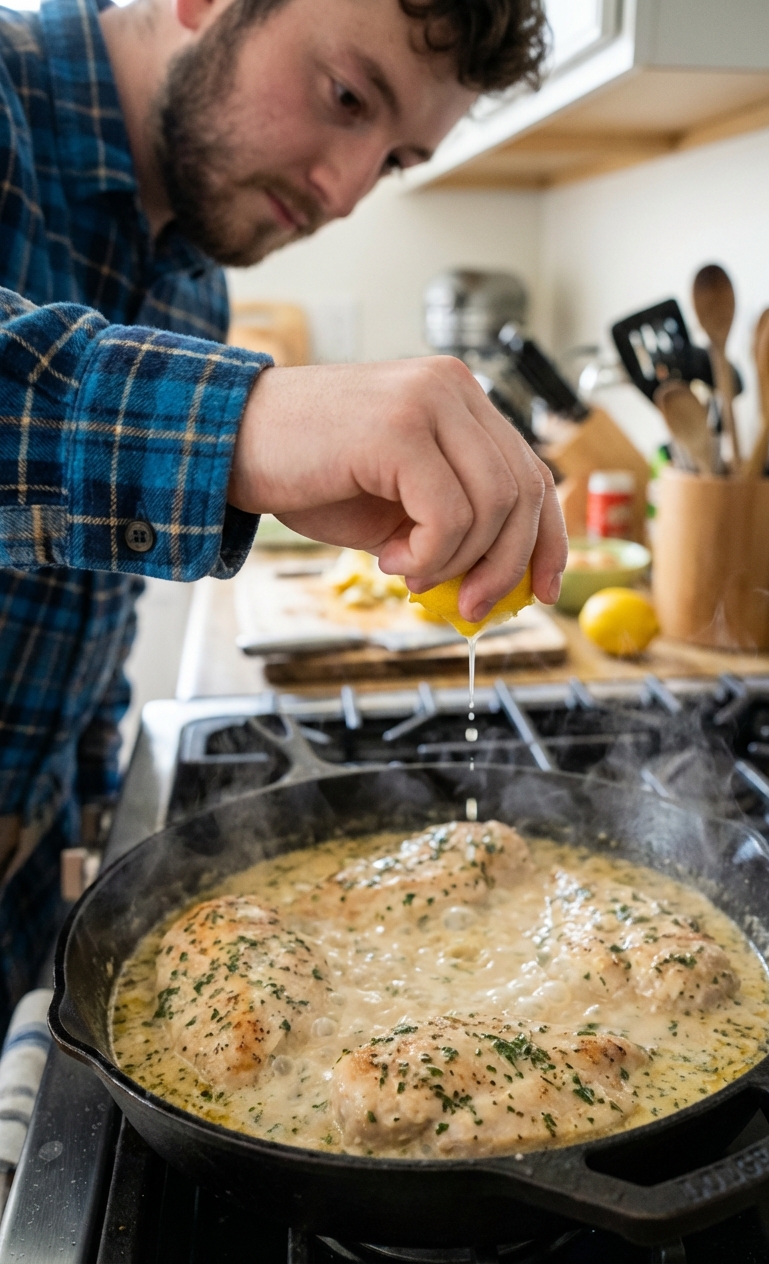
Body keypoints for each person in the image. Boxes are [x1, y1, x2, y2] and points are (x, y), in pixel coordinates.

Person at [0, 0, 566, 1030]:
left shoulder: (189, 292)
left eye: (393, 159)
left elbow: (74, 618)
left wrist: (83, 824)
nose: (346, 190)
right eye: (347, 96)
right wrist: (249, 416)